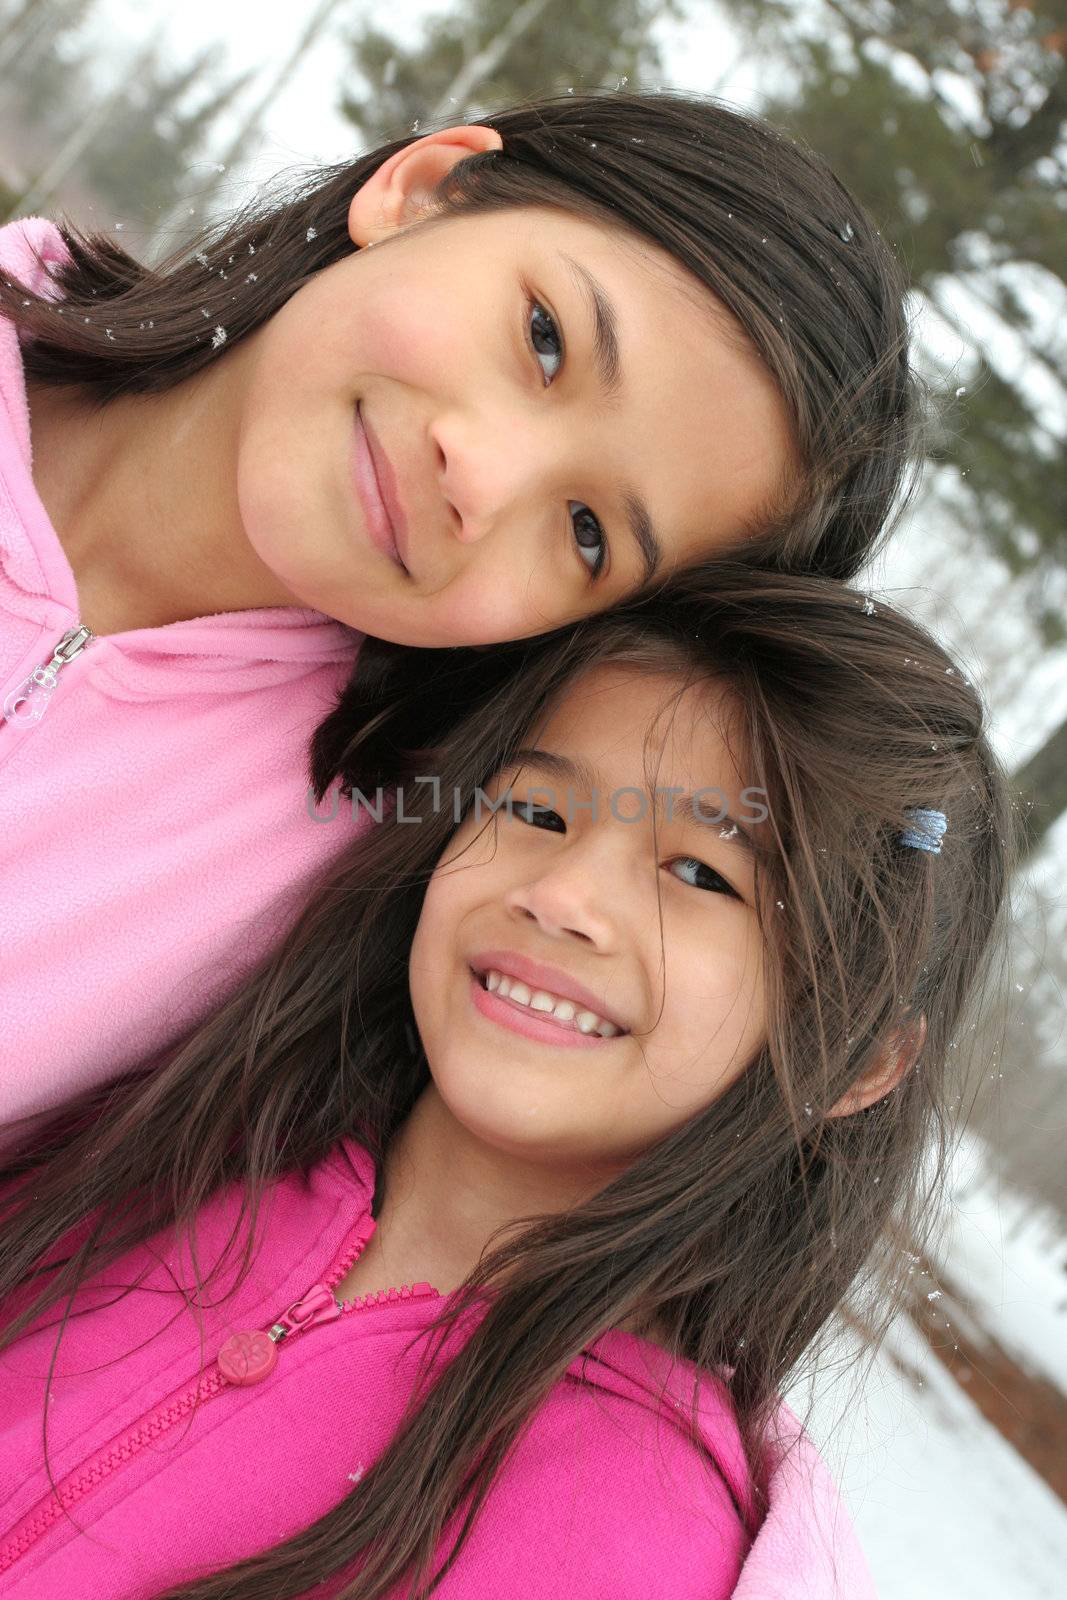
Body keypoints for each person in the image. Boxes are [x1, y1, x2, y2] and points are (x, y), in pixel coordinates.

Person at [0, 564, 1013, 1599]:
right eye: (535, 809)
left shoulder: (624, 1535)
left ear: (860, 1059)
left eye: (702, 874)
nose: (562, 895)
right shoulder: (186, 1131)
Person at [0, 88, 920, 1118]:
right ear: (422, 189)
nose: (478, 478)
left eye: (585, 531)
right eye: (544, 340)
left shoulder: (372, 886)